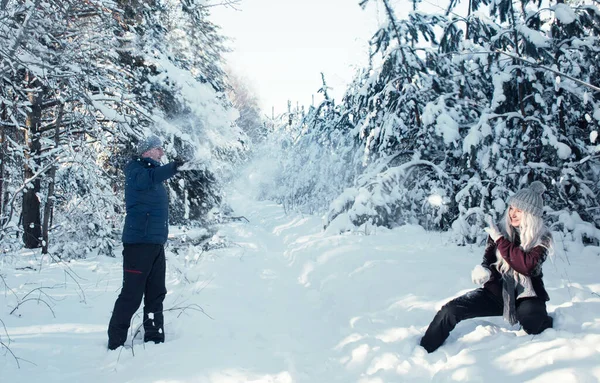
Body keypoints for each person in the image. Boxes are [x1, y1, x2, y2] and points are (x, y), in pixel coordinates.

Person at [419, 181, 554, 353]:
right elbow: (488, 260)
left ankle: (544, 328)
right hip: (496, 293)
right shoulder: (500, 231)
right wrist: (484, 270)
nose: (512, 214)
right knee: (449, 310)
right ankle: (424, 349)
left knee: (534, 323)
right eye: (511, 208)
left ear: (530, 214)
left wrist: (499, 240)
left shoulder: (542, 238)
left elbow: (526, 266)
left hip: (527, 296)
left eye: (519, 210)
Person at [107, 135, 184, 350]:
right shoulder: (136, 172)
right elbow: (151, 177)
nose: (161, 153)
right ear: (147, 151)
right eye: (158, 149)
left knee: (156, 292)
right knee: (131, 295)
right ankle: (115, 342)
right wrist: (175, 166)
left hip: (155, 244)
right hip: (138, 245)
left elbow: (156, 176)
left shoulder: (152, 174)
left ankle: (154, 337)